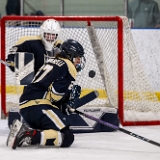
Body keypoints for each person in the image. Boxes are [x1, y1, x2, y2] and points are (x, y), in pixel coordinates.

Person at [6, 39, 86, 149]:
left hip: (26, 108)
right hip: (40, 107)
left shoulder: (52, 60)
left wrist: (64, 102)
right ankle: (28, 134)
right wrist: (68, 98)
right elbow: (55, 94)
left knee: (50, 131)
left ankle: (29, 133)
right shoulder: (69, 66)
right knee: (67, 137)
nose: (79, 61)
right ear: (70, 55)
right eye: (77, 57)